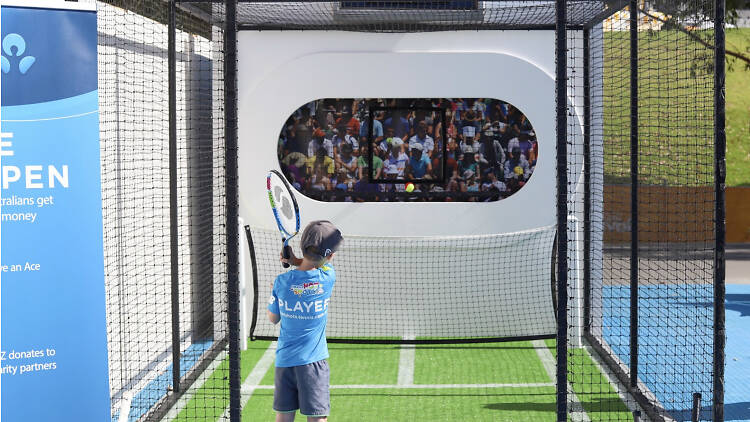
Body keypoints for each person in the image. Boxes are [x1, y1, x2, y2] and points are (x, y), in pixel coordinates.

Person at [268, 220, 344, 422]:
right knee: (317, 417)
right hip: (313, 362)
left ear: (302, 246)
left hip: (285, 361)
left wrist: (292, 265)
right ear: (329, 256)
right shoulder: (328, 277)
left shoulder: (281, 282)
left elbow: (273, 318)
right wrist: (295, 261)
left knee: (283, 416)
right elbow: (312, 266)